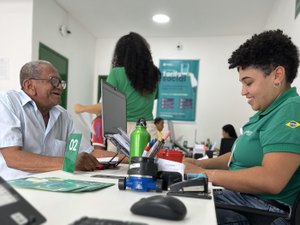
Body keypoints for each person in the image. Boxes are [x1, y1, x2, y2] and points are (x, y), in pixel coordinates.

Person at [184, 29, 300, 225]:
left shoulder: (291, 110)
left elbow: (272, 179)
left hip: (263, 209)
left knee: (181, 207)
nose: (243, 91)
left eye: (248, 82)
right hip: (243, 199)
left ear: (277, 75)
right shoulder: (264, 114)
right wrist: (200, 164)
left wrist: (205, 175)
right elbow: (235, 158)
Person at [0, 60, 127, 180]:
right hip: (15, 189)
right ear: (30, 86)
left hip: (52, 185)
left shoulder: (63, 115)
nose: (60, 87)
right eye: (54, 81)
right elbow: (13, 157)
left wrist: (133, 159)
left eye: (61, 82)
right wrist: (69, 162)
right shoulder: (7, 102)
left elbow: (89, 153)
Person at [74, 32, 161, 139]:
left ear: (120, 53)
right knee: (147, 156)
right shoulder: (154, 75)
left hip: (122, 132)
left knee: (119, 157)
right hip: (148, 130)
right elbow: (154, 97)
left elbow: (105, 107)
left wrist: (82, 108)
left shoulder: (117, 73)